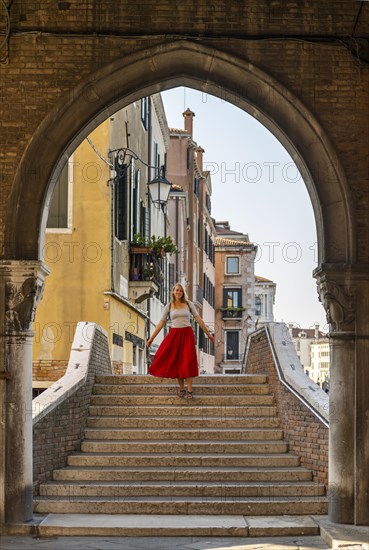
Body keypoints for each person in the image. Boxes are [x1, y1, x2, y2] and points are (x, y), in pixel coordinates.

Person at [146, 283, 215, 399]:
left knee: (188, 361)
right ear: (173, 292)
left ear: (183, 293)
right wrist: (151, 338)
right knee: (177, 362)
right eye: (177, 290)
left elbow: (198, 319)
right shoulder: (169, 306)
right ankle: (182, 389)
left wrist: (208, 334)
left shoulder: (189, 304)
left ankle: (190, 391)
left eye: (181, 291)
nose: (179, 292)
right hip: (174, 334)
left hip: (187, 334)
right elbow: (161, 323)